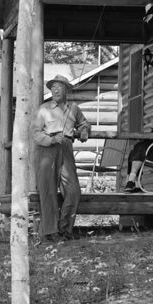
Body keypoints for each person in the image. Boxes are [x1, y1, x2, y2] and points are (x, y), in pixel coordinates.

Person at [32, 74, 90, 241]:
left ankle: (65, 228)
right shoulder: (44, 109)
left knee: (73, 191)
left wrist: (84, 130)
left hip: (66, 147)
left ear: (66, 90)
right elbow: (35, 133)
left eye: (60, 87)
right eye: (53, 88)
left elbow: (84, 123)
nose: (56, 90)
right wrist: (50, 140)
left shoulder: (74, 108)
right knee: (48, 191)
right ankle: (51, 232)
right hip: (47, 150)